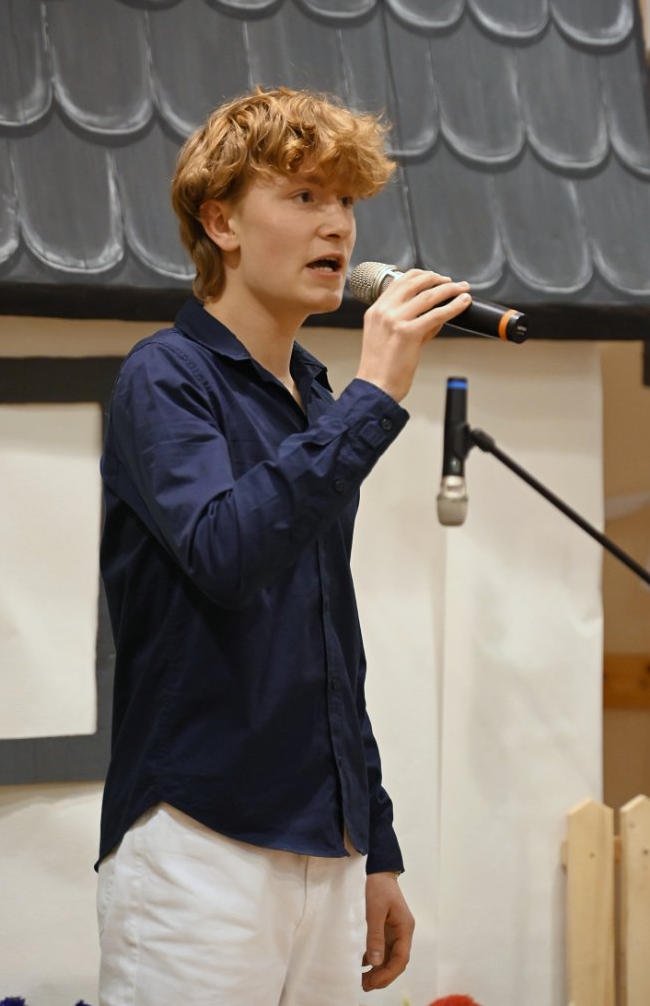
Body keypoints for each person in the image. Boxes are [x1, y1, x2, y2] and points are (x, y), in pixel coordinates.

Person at [96, 86, 472, 1006]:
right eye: (303, 196)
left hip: (328, 845)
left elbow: (327, 641)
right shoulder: (164, 376)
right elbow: (225, 554)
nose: (336, 224)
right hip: (199, 840)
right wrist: (372, 397)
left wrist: (375, 847)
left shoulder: (315, 396)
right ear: (220, 221)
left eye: (344, 201)